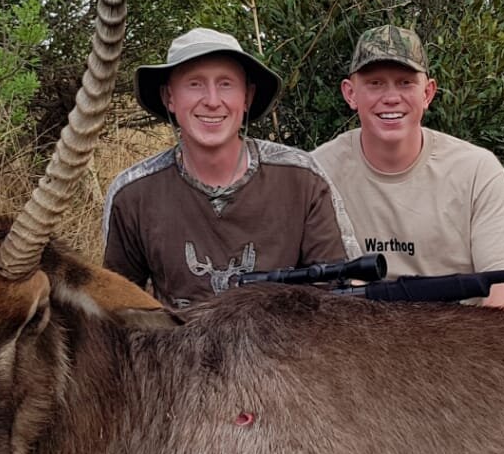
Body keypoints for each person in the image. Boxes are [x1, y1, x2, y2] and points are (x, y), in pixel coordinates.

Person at [103, 28, 359, 308]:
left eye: (226, 84)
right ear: (169, 98)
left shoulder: (302, 177)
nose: (212, 101)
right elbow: (116, 312)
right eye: (194, 84)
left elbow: (337, 301)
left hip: (286, 347)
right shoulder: (133, 194)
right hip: (176, 348)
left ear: (247, 96)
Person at [313, 25, 504, 310]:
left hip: (459, 341)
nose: (391, 97)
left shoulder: (478, 170)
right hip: (354, 339)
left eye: (405, 83)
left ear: (428, 93)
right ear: (350, 93)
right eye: (375, 83)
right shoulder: (316, 172)